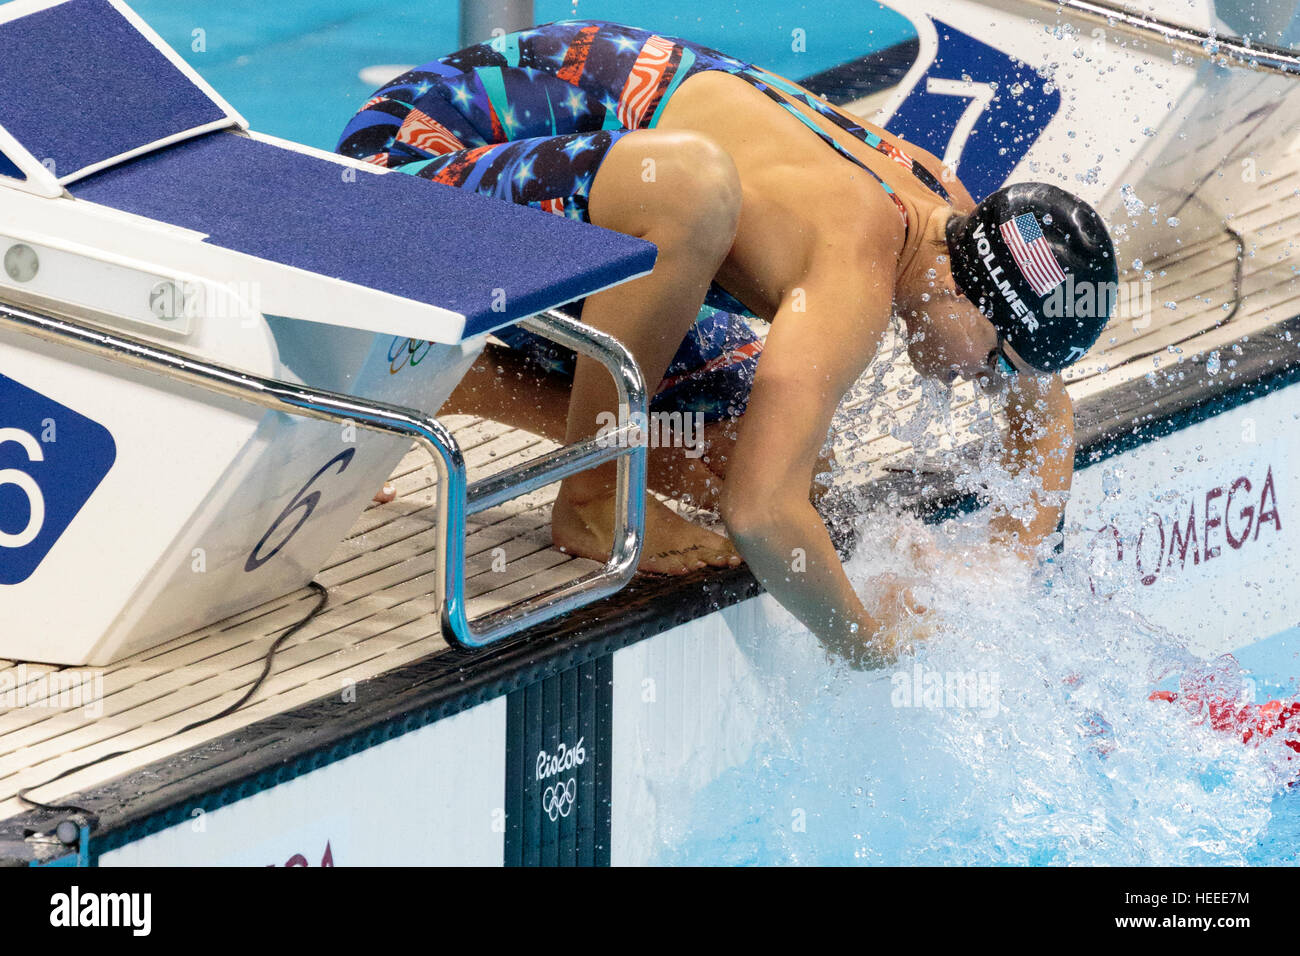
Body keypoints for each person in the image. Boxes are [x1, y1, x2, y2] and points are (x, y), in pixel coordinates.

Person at [338, 20, 1118, 659]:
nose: (976, 380)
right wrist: (875, 646)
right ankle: (591, 495)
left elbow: (1045, 413)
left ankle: (445, 383)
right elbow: (762, 517)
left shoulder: (952, 215)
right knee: (692, 190)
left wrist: (994, 575)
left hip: (531, 207)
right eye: (989, 362)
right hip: (400, 177)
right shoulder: (856, 269)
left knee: (745, 442)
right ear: (958, 288)